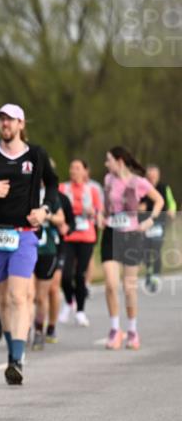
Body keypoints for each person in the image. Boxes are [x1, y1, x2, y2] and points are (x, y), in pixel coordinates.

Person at [0, 104, 58, 385]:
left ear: (21, 123)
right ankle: (13, 351)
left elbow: (53, 185)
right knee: (3, 299)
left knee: (18, 296)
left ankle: (16, 359)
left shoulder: (36, 154)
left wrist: (45, 211)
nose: (5, 124)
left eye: (10, 120)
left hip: (24, 234)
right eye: (1, 120)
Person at [100, 146, 164, 350]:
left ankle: (133, 330)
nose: (106, 164)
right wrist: (101, 216)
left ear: (119, 161)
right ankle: (114, 329)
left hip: (132, 235)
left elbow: (159, 201)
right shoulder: (108, 180)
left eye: (108, 160)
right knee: (110, 284)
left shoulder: (139, 182)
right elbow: (105, 206)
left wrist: (150, 220)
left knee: (129, 287)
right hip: (111, 233)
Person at [58, 159, 103, 327]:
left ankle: (80, 311)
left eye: (77, 168)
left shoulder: (92, 190)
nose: (73, 171)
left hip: (86, 236)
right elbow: (56, 207)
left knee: (80, 275)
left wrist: (94, 213)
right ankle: (69, 302)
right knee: (65, 276)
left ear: (85, 171)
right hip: (68, 237)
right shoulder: (62, 188)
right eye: (72, 167)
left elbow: (99, 212)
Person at [30, 186, 71, 350]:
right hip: (26, 250)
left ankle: (40, 330)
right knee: (27, 294)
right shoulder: (22, 191)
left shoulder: (50, 197)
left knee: (41, 296)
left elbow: (61, 219)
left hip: (47, 251)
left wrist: (47, 215)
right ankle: (24, 328)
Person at [140, 165, 176, 293]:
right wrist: (139, 207)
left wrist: (171, 210)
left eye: (154, 177)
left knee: (156, 247)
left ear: (158, 177)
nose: (152, 179)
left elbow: (171, 202)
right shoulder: (141, 189)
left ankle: (155, 275)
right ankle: (149, 269)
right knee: (145, 251)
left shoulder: (164, 188)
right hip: (143, 224)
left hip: (158, 223)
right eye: (149, 177)